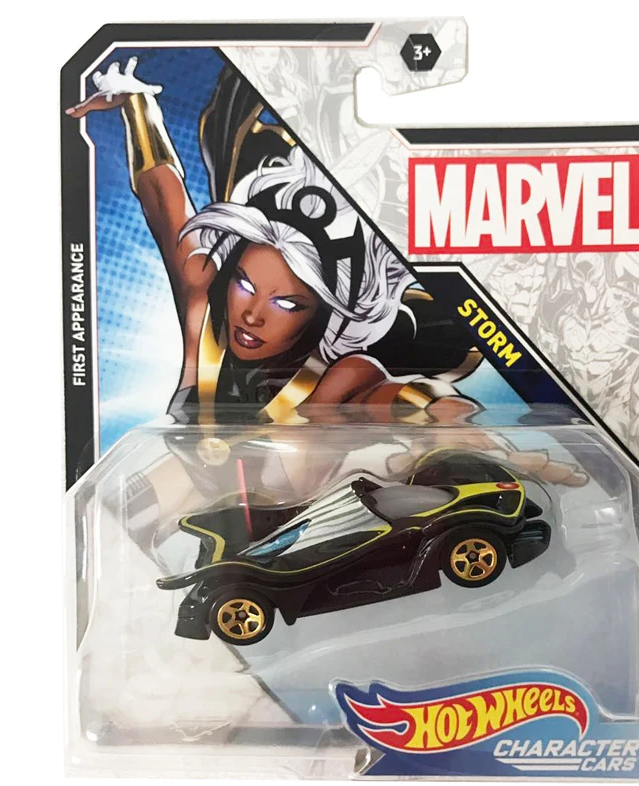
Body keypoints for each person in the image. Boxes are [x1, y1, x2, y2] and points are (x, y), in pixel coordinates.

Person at [67, 58, 587, 490]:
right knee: (131, 504)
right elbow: (164, 198)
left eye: (287, 303)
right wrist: (136, 105)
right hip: (188, 491)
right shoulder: (204, 306)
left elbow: (411, 403)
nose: (252, 313)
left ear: (322, 315)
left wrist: (490, 446)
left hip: (287, 537)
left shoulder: (338, 378)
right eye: (246, 284)